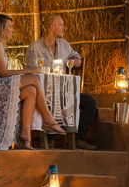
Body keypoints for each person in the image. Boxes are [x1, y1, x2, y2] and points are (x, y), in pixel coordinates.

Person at [0, 14, 66, 150]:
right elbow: (3, 73)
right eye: (10, 26)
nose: (12, 30)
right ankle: (48, 119)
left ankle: (25, 138)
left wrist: (27, 71)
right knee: (34, 78)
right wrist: (28, 70)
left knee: (31, 91)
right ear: (2, 29)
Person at [26, 14, 98, 150]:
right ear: (51, 27)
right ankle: (50, 142)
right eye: (61, 25)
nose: (64, 28)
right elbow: (31, 72)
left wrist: (77, 60)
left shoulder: (64, 45)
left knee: (91, 101)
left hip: (66, 93)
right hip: (44, 94)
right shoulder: (34, 47)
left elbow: (75, 55)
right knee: (54, 99)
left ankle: (79, 138)